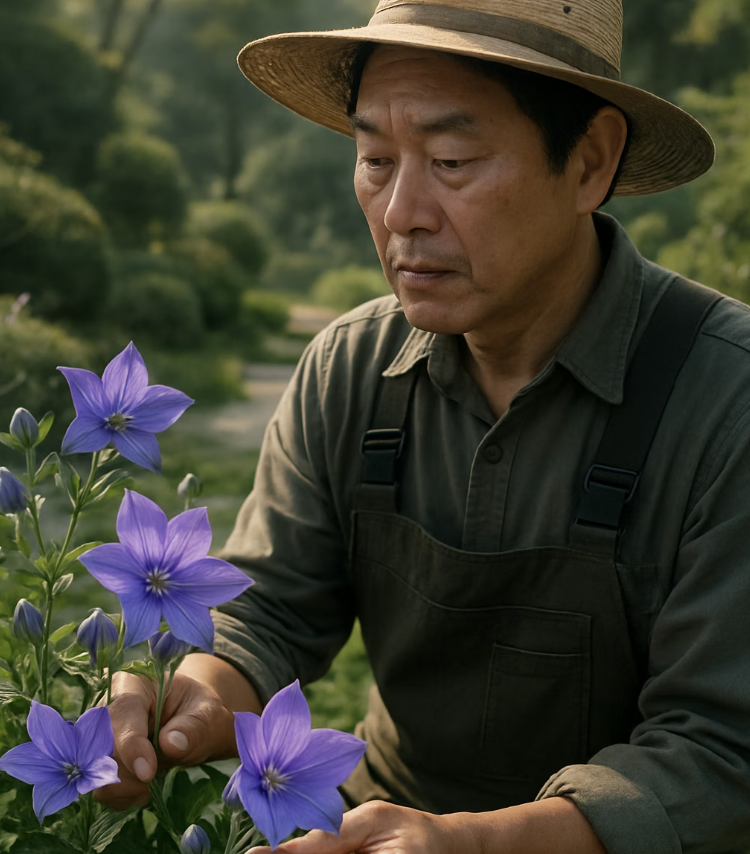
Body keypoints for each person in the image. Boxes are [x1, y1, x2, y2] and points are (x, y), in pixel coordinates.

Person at [97, 1, 750, 852]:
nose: (402, 211)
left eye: (452, 159)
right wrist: (197, 700)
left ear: (590, 163)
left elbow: (722, 750)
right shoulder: (351, 369)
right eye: (374, 158)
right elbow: (271, 611)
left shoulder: (726, 398)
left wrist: (474, 844)